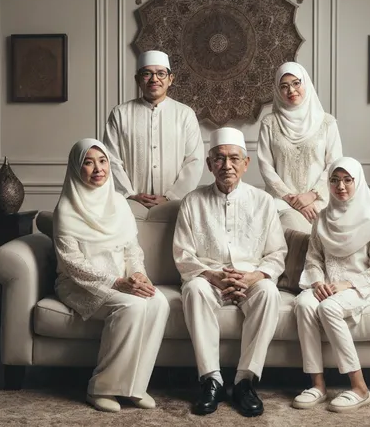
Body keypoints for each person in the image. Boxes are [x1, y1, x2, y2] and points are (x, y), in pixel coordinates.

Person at [173, 127, 287, 418]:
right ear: (210, 164)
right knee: (194, 289)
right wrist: (211, 276)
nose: (227, 166)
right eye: (220, 159)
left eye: (234, 158)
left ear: (246, 163)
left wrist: (255, 276)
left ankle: (244, 382)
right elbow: (183, 254)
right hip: (209, 278)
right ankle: (211, 380)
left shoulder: (263, 201)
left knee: (270, 293)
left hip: (250, 278)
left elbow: (277, 254)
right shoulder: (192, 201)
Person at [53, 138, 170, 413]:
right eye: (89, 162)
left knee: (158, 302)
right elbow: (72, 264)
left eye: (103, 161)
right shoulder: (66, 209)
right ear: (75, 168)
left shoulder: (119, 203)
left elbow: (132, 250)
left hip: (122, 280)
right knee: (131, 305)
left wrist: (139, 275)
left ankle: (134, 387)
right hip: (79, 284)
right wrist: (117, 283)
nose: (98, 169)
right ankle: (101, 388)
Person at [293, 157, 370, 413]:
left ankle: (359, 387)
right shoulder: (322, 218)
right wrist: (317, 282)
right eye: (335, 180)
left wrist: (347, 283)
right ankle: (317, 385)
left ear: (357, 181)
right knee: (303, 303)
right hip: (326, 285)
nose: (341, 186)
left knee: (328, 309)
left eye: (347, 180)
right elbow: (313, 258)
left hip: (357, 287)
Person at [103, 50, 204, 219]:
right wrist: (130, 194)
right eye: (147, 73)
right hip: (129, 205)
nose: (154, 79)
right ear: (137, 79)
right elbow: (111, 159)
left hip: (174, 206)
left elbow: (195, 160)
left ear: (170, 79)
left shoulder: (185, 114)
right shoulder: (120, 113)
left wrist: (170, 196)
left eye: (161, 73)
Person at [257, 62, 343, 233]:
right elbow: (265, 166)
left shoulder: (327, 122)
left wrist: (311, 196)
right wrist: (293, 200)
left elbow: (334, 163)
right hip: (282, 202)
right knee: (290, 229)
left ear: (306, 83)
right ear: (277, 90)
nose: (291, 90)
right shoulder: (269, 123)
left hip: (319, 199)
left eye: (296, 83)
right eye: (284, 86)